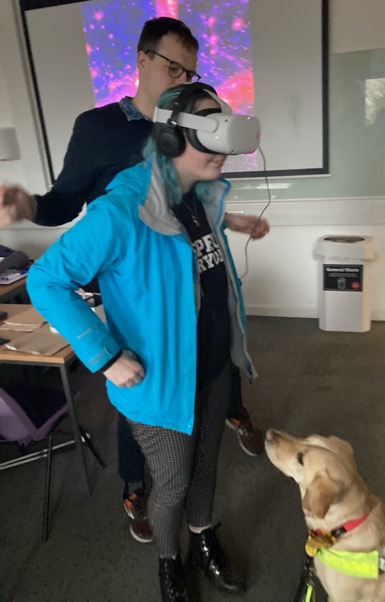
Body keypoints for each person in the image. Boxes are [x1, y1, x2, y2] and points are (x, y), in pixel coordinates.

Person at [0, 17, 268, 544]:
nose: (182, 77)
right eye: (173, 66)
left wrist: (229, 220)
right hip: (131, 290)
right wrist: (27, 204)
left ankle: (190, 504)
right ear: (142, 60)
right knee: (141, 396)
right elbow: (63, 206)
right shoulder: (101, 132)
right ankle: (137, 490)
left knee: (199, 400)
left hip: (191, 298)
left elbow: (192, 204)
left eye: (191, 69)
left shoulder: (196, 126)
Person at [27, 82, 257, 601]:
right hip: (157, 383)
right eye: (209, 137)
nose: (222, 152)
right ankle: (168, 561)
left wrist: (233, 222)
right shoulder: (121, 209)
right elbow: (46, 280)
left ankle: (203, 535)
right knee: (171, 484)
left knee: (205, 467)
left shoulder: (201, 192)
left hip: (213, 365)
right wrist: (104, 357)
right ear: (172, 140)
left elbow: (191, 264)